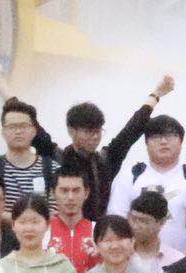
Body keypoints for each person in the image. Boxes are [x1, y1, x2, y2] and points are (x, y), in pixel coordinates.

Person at [57, 80, 176, 223]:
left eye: (98, 131)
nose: (95, 137)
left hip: (99, 231)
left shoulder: (105, 160)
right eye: (89, 132)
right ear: (71, 131)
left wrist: (156, 95)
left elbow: (131, 131)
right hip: (64, 229)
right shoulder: (58, 160)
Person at [107, 115, 186, 254]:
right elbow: (116, 220)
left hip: (183, 261)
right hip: (135, 260)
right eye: (156, 136)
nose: (163, 141)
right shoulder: (130, 176)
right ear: (146, 143)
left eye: (170, 135)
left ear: (181, 142)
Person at [0, 97, 56, 212]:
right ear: (3, 132)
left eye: (23, 126)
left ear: (34, 131)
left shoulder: (52, 169)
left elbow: (55, 213)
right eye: (12, 127)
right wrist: (25, 218)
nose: (18, 131)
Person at [47, 160, 97, 273]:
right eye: (64, 191)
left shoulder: (98, 231)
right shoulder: (42, 232)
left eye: (76, 190)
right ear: (53, 193)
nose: (70, 197)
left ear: (86, 193)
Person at [127, 191, 182, 273]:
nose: (135, 226)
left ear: (161, 222)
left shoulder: (176, 261)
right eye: (133, 219)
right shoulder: (119, 254)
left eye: (143, 221)